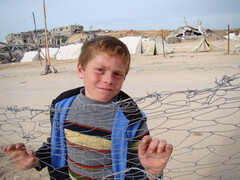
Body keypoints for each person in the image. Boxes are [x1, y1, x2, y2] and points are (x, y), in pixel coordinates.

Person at [2, 36, 173, 180]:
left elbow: (139, 162)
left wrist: (152, 173)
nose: (108, 79)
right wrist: (35, 159)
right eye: (100, 70)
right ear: (80, 70)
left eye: (117, 74)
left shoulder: (131, 116)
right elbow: (57, 145)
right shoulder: (62, 107)